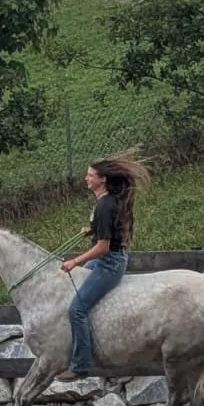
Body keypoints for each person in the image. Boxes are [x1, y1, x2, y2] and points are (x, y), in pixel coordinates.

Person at [59, 152, 150, 378]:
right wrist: (91, 229)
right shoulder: (104, 202)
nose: (86, 178)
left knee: (77, 309)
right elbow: (105, 230)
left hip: (108, 263)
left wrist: (75, 261)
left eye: (90, 175)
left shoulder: (104, 206)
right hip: (106, 259)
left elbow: (103, 247)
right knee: (73, 295)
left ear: (103, 180)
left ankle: (80, 365)